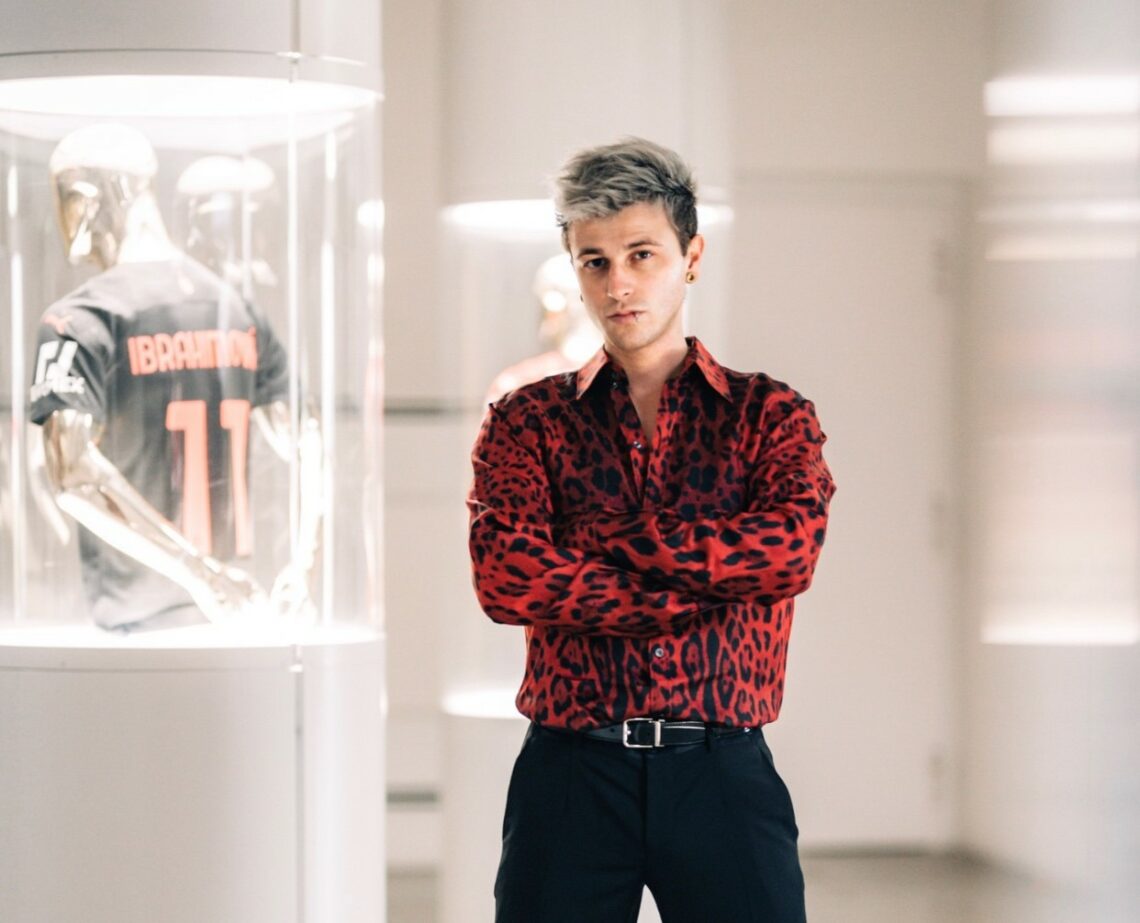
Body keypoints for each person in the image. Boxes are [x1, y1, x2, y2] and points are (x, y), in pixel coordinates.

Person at [467, 137, 836, 922]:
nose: (619, 283)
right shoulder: (527, 420)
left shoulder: (769, 415)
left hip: (722, 772)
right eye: (595, 261)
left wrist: (601, 537)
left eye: (641, 254)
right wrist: (690, 594)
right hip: (570, 775)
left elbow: (787, 553)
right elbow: (505, 576)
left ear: (691, 257)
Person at [30, 123, 320, 632]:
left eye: (65, 197)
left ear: (91, 197)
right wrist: (303, 563)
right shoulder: (233, 308)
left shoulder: (81, 319)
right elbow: (308, 441)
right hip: (234, 617)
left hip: (138, 624)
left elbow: (73, 475)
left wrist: (200, 574)